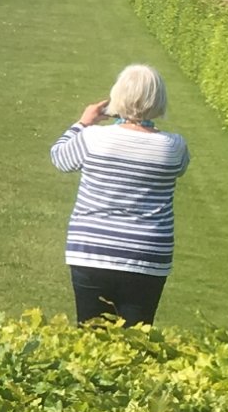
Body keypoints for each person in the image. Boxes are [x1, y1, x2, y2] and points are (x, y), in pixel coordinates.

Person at [49, 63, 190, 326]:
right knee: (136, 342)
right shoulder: (174, 146)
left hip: (92, 249)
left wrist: (82, 123)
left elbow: (60, 158)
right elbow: (179, 169)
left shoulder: (93, 138)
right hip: (147, 254)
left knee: (90, 339)